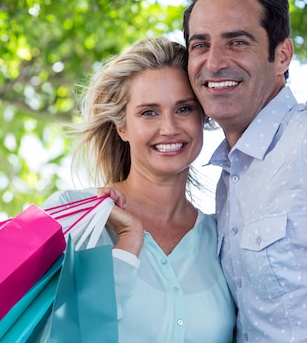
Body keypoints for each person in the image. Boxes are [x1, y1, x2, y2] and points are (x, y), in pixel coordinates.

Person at [182, 0, 307, 342]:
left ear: (282, 55)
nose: (214, 63)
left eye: (236, 42)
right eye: (200, 45)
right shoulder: (230, 178)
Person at [42, 36, 235, 343]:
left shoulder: (224, 237)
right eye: (149, 112)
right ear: (122, 127)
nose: (169, 127)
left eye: (184, 109)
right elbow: (48, 334)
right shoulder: (72, 218)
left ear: (203, 118)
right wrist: (126, 247)